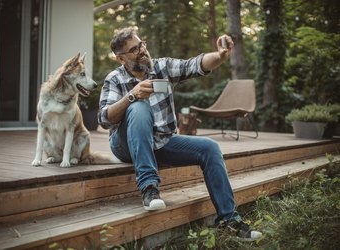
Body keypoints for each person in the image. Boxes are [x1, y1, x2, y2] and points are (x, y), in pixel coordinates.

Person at [98, 27, 262, 240]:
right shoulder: (114, 78)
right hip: (125, 145)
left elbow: (194, 65)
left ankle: (229, 220)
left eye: (142, 44)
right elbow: (103, 119)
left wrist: (220, 56)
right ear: (121, 58)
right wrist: (131, 95)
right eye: (134, 49)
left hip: (162, 141)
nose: (142, 50)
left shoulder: (162, 67)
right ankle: (149, 188)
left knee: (210, 147)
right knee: (139, 107)